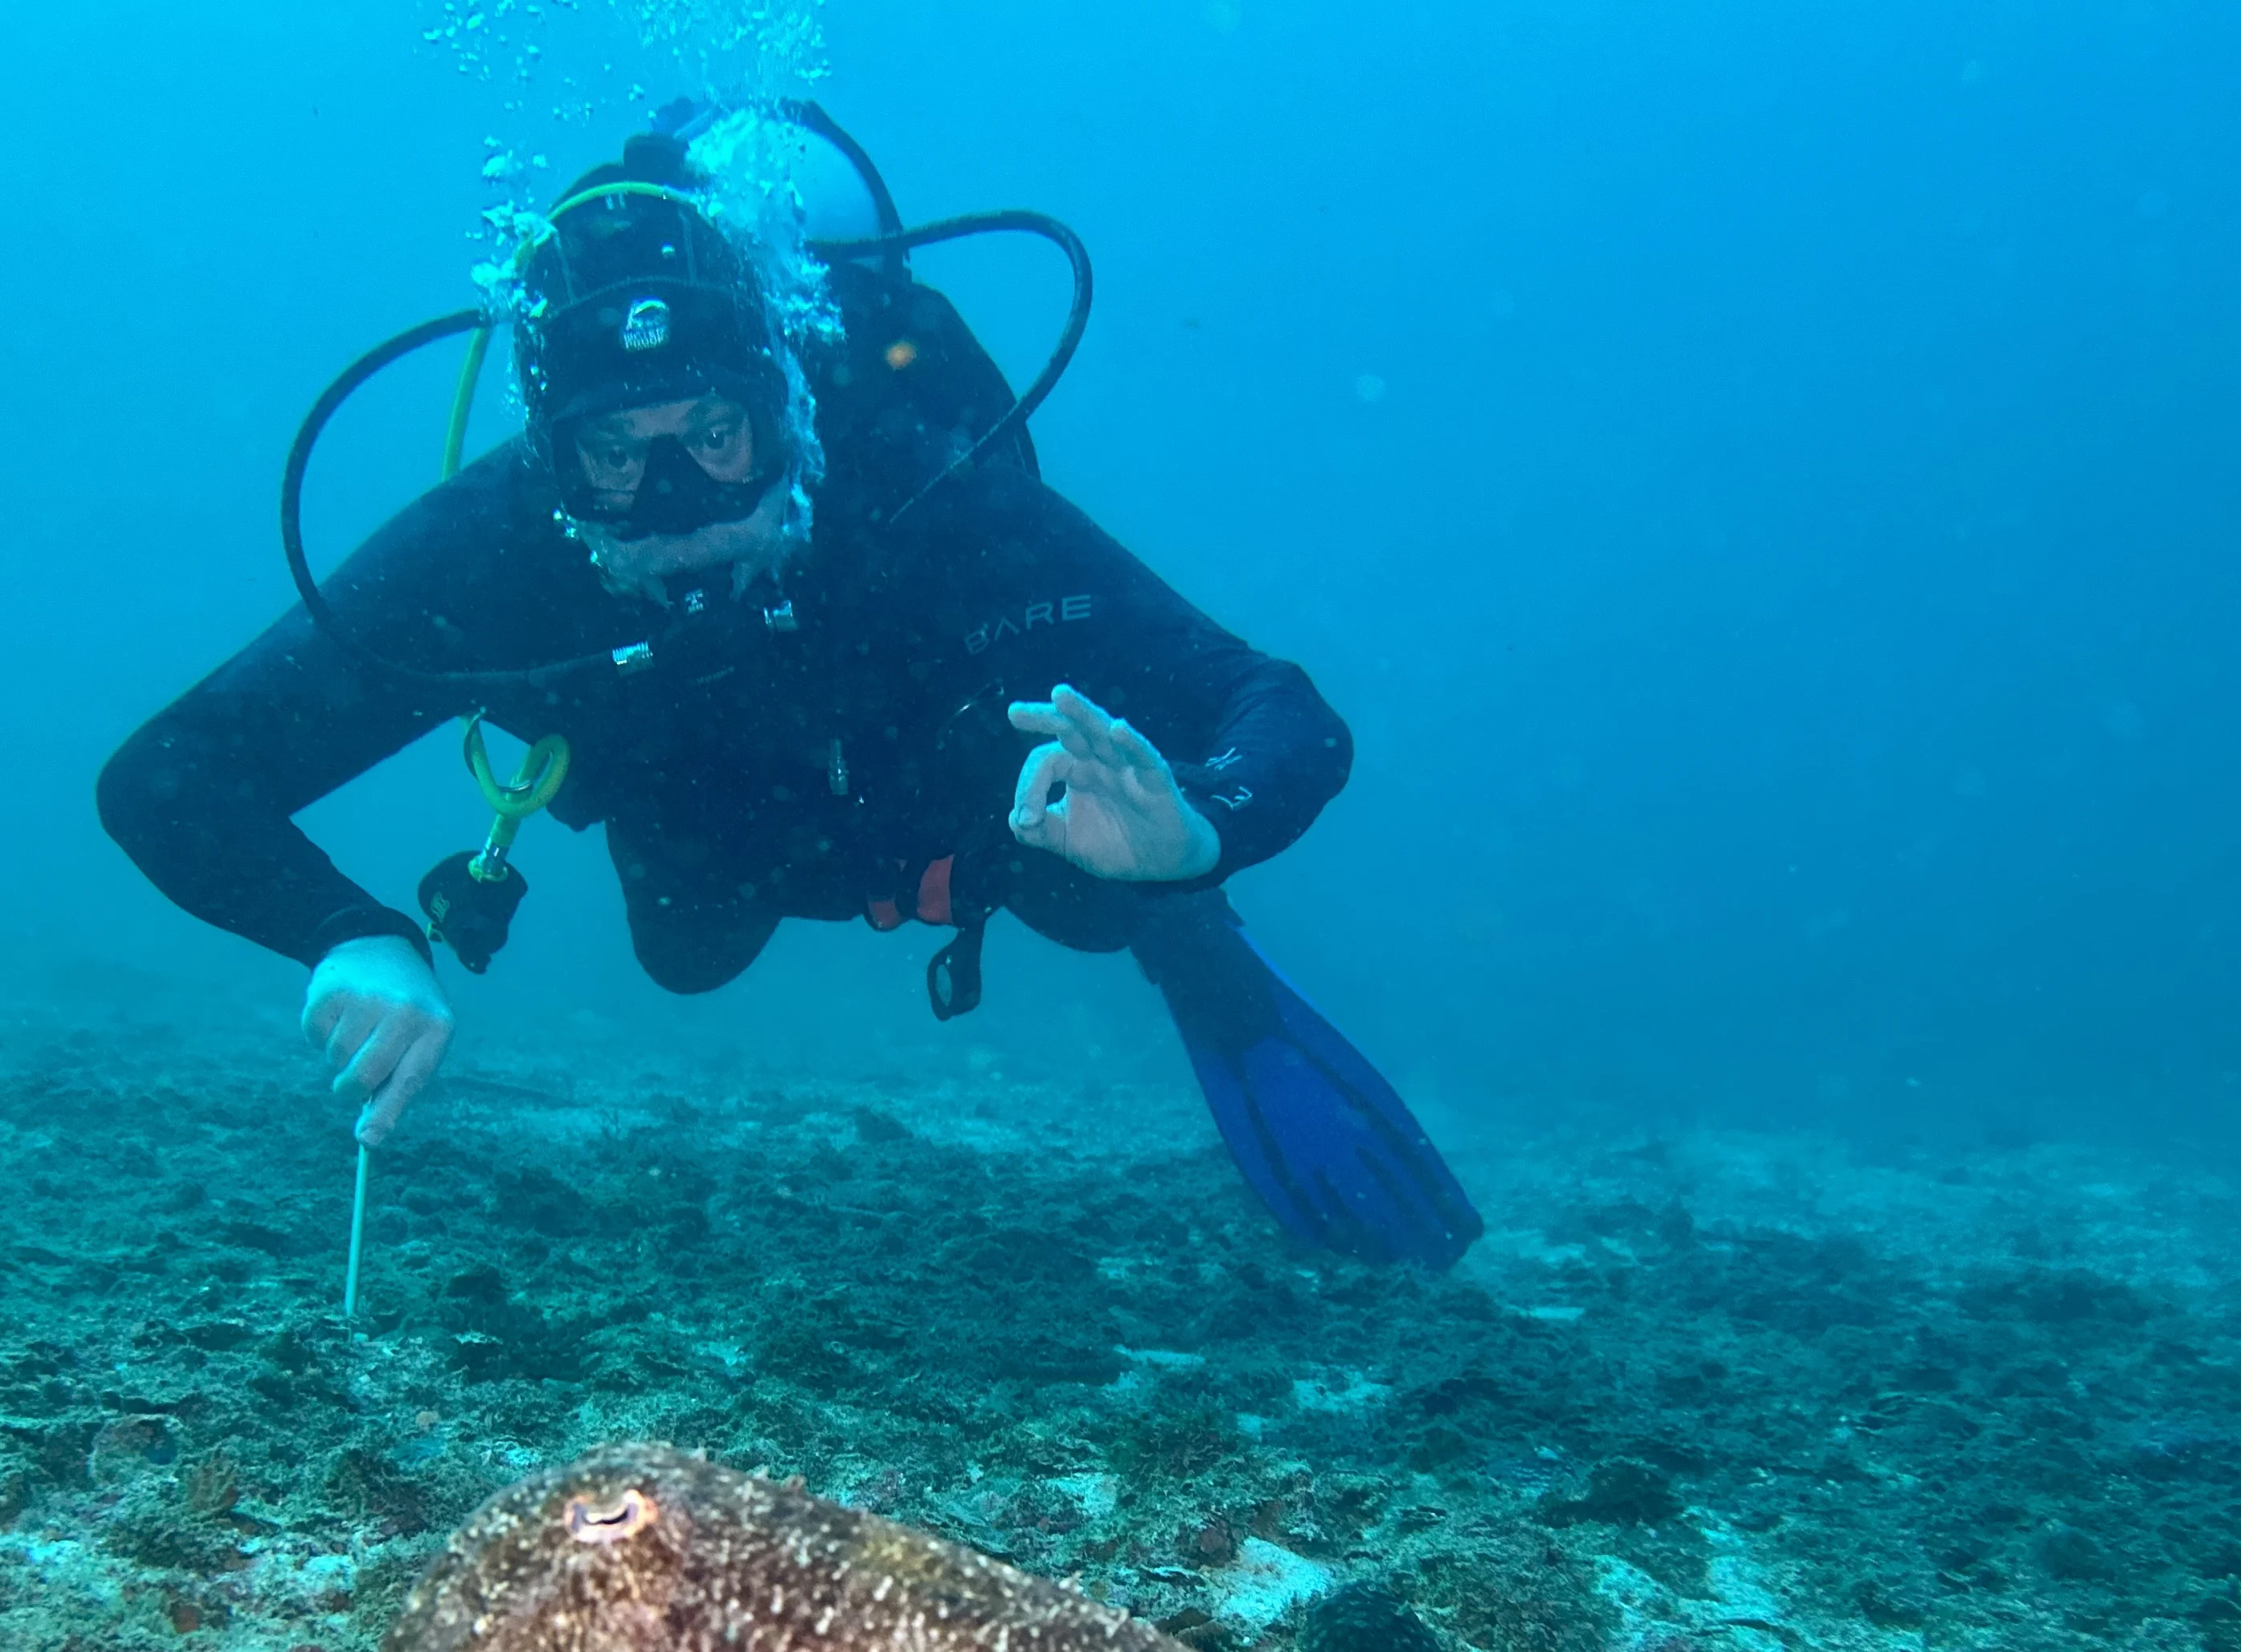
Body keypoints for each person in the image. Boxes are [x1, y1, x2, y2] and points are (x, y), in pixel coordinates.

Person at [98, 115, 1479, 1267]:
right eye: (617, 461)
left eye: (716, 434)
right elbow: (169, 777)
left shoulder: (921, 487)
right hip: (708, 817)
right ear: (552, 462)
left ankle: (1196, 945)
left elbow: (1274, 702)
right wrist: (349, 932)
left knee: (1097, 887)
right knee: (687, 953)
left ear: (786, 410)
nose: (680, 501)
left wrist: (1196, 836)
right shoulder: (503, 547)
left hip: (957, 801)